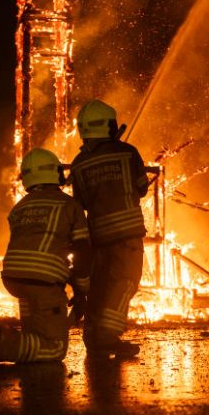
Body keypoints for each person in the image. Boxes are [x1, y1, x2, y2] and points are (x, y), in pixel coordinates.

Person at [0, 148, 91, 362]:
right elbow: (82, 251)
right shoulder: (69, 205)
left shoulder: (19, 207)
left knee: (34, 338)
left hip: (14, 279)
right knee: (55, 349)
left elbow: (35, 247)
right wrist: (82, 290)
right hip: (42, 282)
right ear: (55, 173)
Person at [69, 99, 149, 359]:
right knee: (125, 283)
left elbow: (79, 204)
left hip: (97, 237)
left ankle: (92, 336)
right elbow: (142, 187)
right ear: (110, 126)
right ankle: (108, 336)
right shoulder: (128, 153)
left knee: (100, 287)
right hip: (127, 235)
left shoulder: (79, 163)